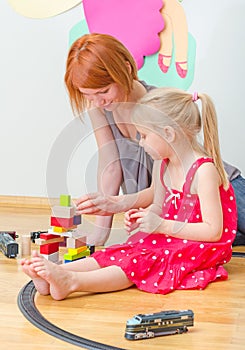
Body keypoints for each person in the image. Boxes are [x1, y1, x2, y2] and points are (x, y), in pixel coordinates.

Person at [21, 87, 237, 300]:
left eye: (143, 136)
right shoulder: (162, 163)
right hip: (171, 236)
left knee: (141, 261)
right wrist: (144, 219)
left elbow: (213, 231)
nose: (140, 143)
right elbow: (158, 205)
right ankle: (58, 272)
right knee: (124, 250)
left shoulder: (203, 171)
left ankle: (73, 281)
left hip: (199, 245)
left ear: (168, 134)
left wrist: (161, 225)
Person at [65, 33, 244, 246]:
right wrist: (100, 233)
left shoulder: (158, 106)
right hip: (174, 207)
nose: (97, 101)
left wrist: (119, 203)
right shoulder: (100, 109)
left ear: (127, 69)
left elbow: (164, 186)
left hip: (218, 191)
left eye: (103, 91)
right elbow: (110, 166)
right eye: (87, 94)